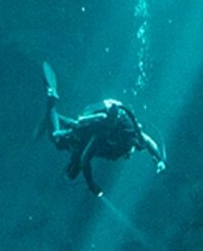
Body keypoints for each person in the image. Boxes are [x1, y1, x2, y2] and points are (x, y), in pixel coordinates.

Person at [42, 62, 165, 195]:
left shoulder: (130, 134)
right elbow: (84, 158)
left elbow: (149, 142)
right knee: (58, 141)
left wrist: (159, 160)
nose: (129, 154)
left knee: (72, 133)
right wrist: (92, 186)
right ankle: (51, 102)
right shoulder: (108, 133)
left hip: (91, 124)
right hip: (90, 125)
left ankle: (53, 115)